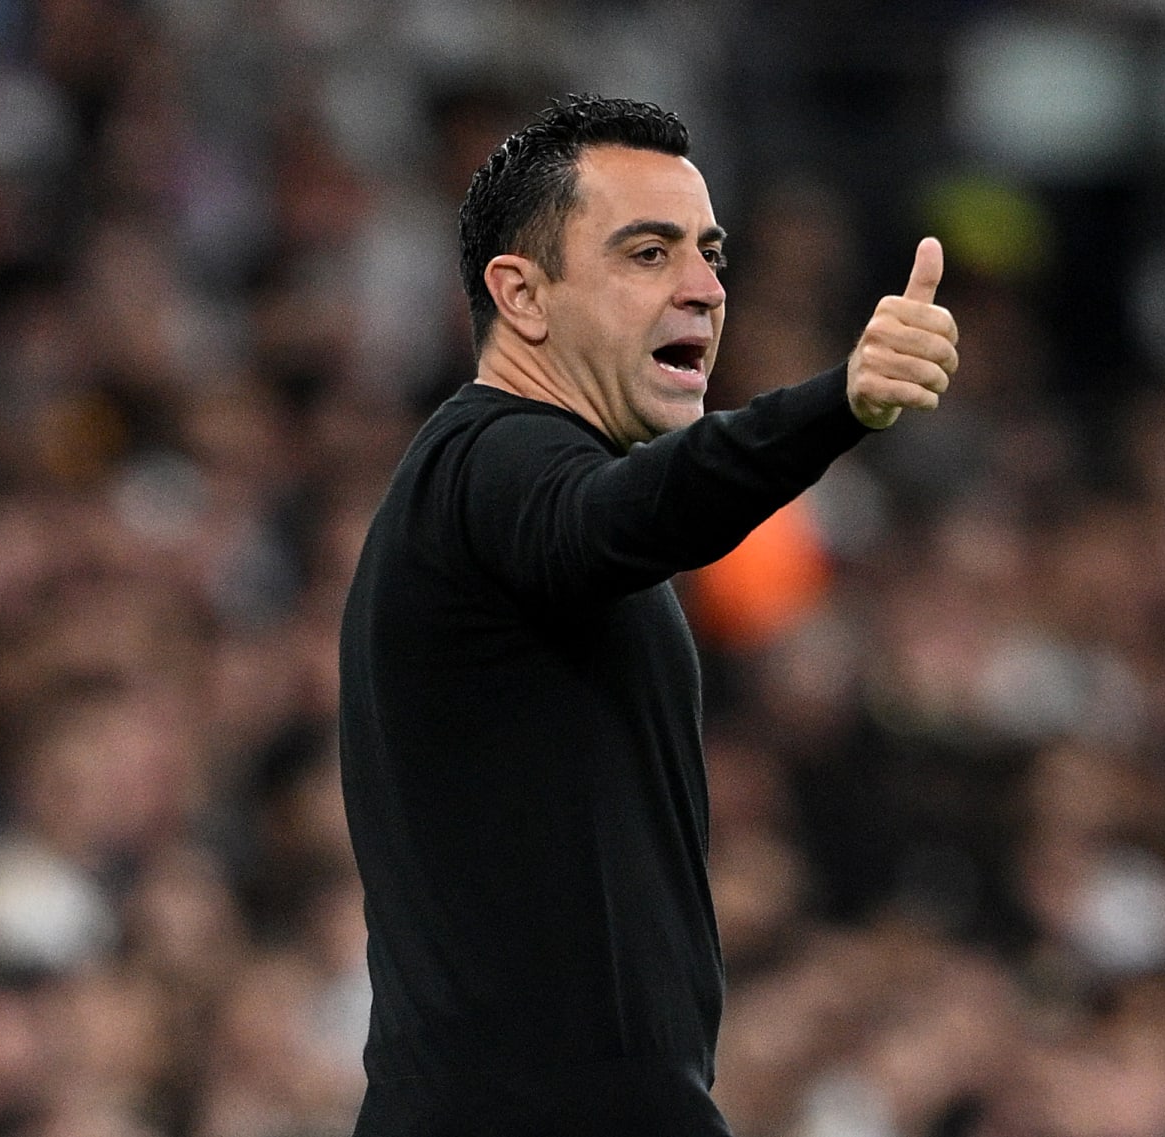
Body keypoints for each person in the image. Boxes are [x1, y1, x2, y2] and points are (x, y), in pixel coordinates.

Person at [338, 94, 958, 1135]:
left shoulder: (498, 498)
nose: (708, 290)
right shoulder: (490, 459)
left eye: (711, 254)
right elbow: (625, 514)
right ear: (523, 296)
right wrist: (838, 403)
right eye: (648, 253)